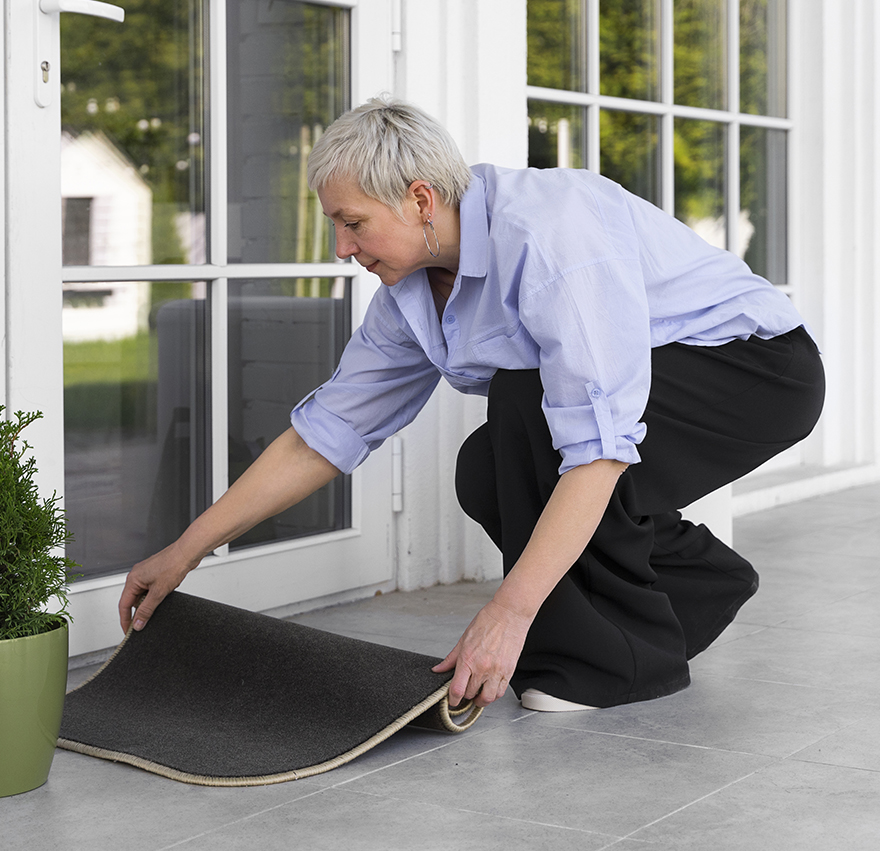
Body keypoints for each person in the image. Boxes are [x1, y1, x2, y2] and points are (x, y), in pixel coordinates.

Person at [117, 96, 825, 712]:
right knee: (485, 468)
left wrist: (507, 611)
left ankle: (620, 664)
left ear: (420, 199)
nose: (340, 248)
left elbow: (598, 447)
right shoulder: (410, 294)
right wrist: (185, 551)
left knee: (526, 400)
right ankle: (697, 581)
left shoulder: (551, 234)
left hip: (756, 369)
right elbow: (322, 436)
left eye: (353, 223)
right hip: (663, 379)